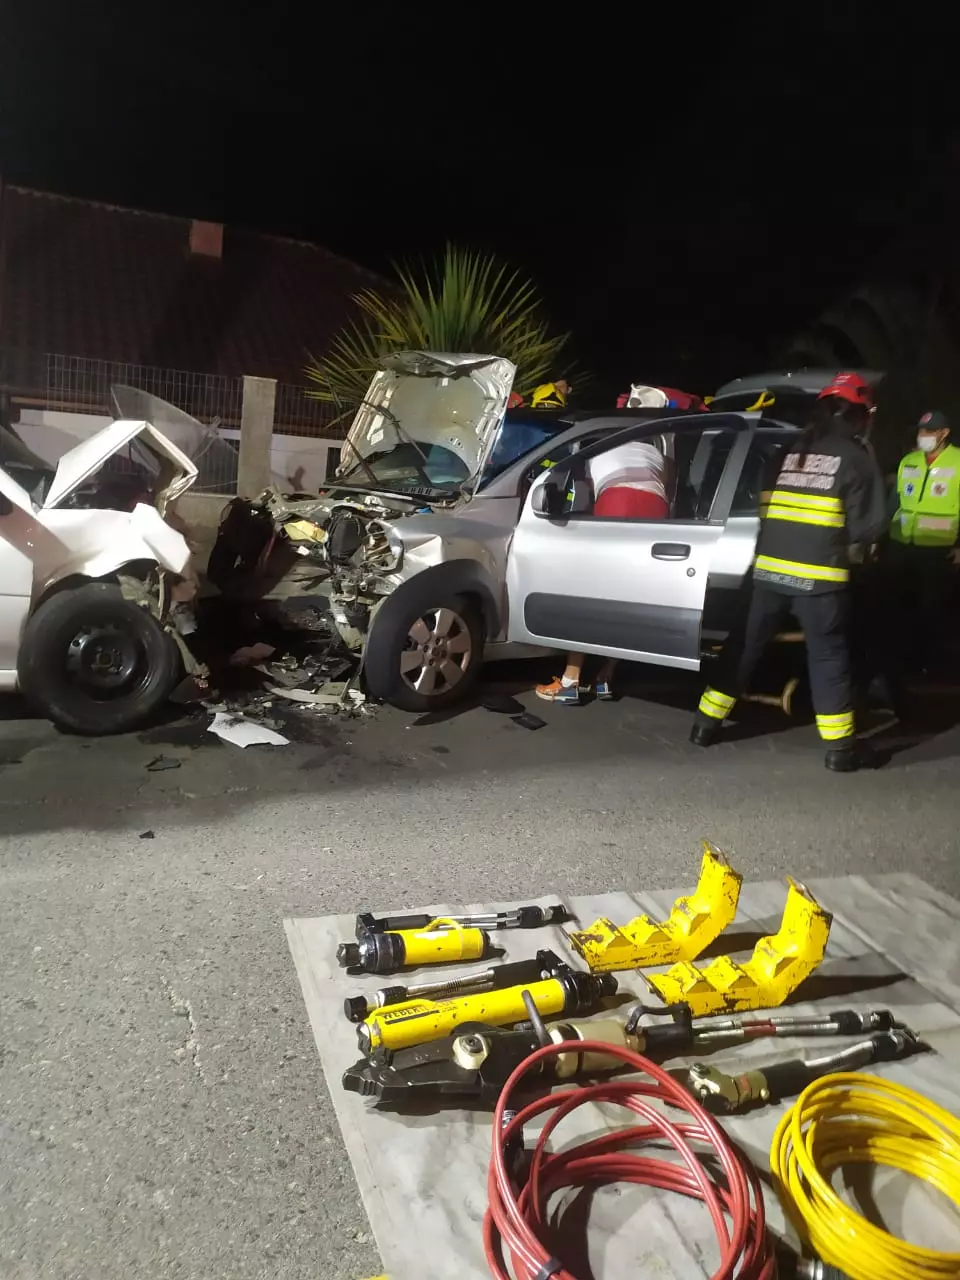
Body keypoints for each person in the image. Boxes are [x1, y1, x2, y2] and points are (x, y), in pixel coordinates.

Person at [689, 371, 887, 772]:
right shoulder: (854, 457)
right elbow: (870, 527)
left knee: (743, 648)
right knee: (828, 658)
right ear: (860, 415)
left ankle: (704, 724)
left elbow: (767, 511)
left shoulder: (787, 453)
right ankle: (839, 750)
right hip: (820, 578)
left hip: (769, 573)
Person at [536, 436, 670, 704]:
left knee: (590, 595)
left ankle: (570, 682)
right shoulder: (657, 452)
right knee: (627, 598)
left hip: (617, 500)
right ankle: (605, 679)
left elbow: (577, 492)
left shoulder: (598, 447)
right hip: (657, 505)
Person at [885, 409, 960, 678]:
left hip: (937, 547)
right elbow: (895, 502)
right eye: (921, 431)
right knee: (900, 606)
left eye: (929, 431)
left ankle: (928, 664)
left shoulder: (958, 462)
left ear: (944, 433)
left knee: (931, 607)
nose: (923, 436)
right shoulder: (909, 461)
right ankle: (901, 661)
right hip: (901, 544)